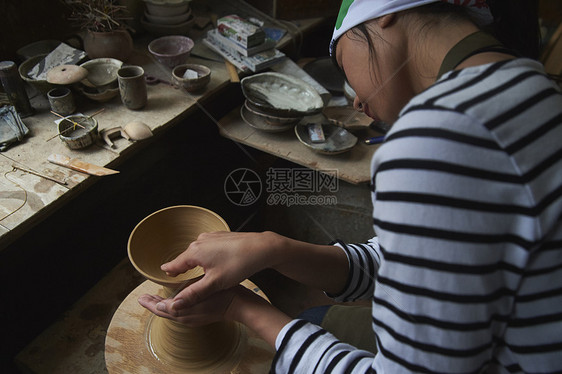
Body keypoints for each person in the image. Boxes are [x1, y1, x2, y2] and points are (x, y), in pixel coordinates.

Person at [139, 0, 562, 372]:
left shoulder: (437, 139)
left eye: (344, 64)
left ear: (387, 16)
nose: (357, 101)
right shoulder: (534, 86)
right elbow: (426, 260)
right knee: (319, 318)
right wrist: (273, 248)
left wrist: (243, 309)